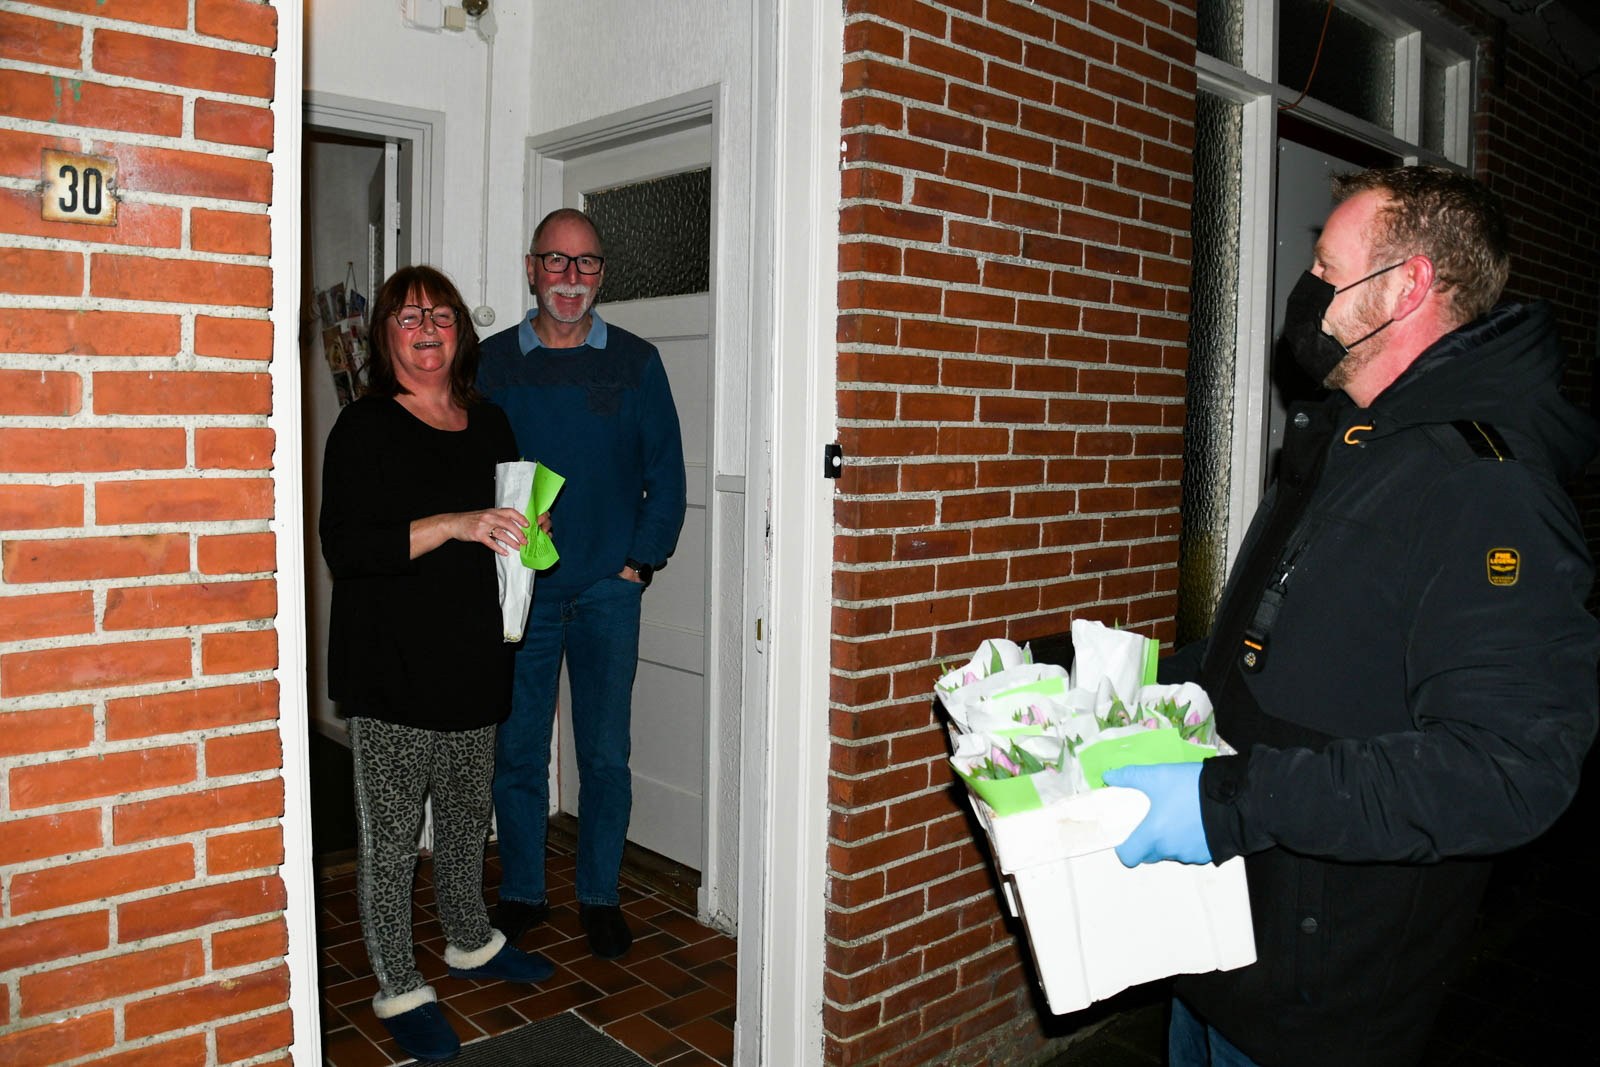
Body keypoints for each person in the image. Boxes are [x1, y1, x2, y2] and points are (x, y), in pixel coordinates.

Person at [1104, 166, 1599, 1065]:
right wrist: (1107, 680)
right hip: (1218, 943)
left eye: (1327, 269)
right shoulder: (1345, 435)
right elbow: (1263, 650)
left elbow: (1510, 767)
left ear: (1407, 286)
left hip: (1318, 999)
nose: (1307, 291)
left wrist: (1222, 802)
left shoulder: (1484, 488)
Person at [320, 265, 558, 1061]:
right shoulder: (363, 427)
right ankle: (397, 982)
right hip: (391, 666)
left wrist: (528, 526)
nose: (428, 331)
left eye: (442, 317)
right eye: (409, 318)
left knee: (462, 821)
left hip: (473, 656)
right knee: (391, 842)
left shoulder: (490, 422)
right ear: (386, 337)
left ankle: (469, 938)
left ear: (462, 333)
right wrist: (457, 522)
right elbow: (348, 548)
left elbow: (506, 523)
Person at [478, 208, 687, 960]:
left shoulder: (636, 362)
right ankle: (524, 892)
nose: (570, 279)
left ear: (602, 273)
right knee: (518, 752)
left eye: (586, 263)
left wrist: (637, 566)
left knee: (604, 757)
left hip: (606, 592)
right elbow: (468, 469)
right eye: (556, 262)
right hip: (523, 594)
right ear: (531, 268)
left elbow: (667, 478)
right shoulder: (491, 364)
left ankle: (600, 896)